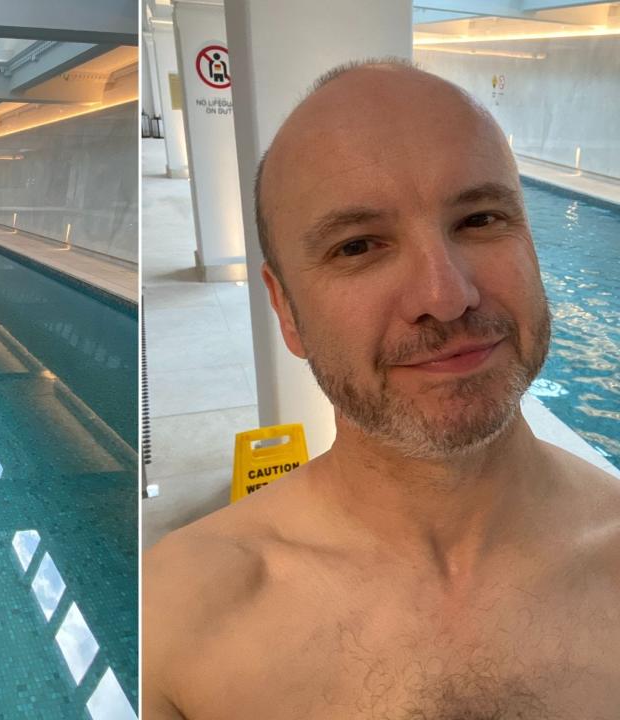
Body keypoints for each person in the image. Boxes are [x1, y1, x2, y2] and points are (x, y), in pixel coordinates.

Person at [143, 58, 620, 719]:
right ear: (286, 311)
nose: (447, 297)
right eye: (359, 245)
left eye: (480, 219)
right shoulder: (174, 620)